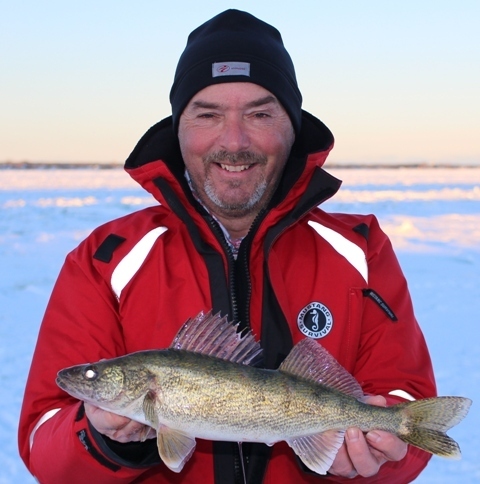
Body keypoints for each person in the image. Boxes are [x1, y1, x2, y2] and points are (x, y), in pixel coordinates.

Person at [18, 9, 436, 484]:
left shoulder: (361, 250)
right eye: (208, 114)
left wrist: (384, 455)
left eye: (259, 113)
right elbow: (44, 447)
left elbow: (408, 410)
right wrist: (100, 438)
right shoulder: (105, 258)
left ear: (292, 126)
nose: (233, 141)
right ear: (178, 129)